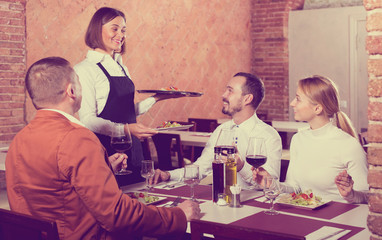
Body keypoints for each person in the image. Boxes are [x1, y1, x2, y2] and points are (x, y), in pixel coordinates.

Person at [6, 57, 201, 240]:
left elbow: (54, 188)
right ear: (71, 91)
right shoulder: (77, 138)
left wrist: (103, 167)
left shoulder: (19, 140)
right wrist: (178, 216)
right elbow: (117, 215)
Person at [74, 7, 176, 183]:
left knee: (137, 197)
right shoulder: (84, 69)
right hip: (105, 150)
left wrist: (158, 97)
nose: (120, 34)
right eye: (114, 28)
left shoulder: (121, 67)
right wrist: (126, 129)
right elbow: (87, 120)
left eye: (123, 30)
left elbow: (128, 111)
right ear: (98, 29)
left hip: (132, 148)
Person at [153, 72, 282, 188]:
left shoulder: (269, 135)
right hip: (221, 202)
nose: (223, 95)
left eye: (230, 91)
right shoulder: (221, 130)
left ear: (247, 99)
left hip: (253, 207)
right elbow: (201, 168)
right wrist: (168, 175)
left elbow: (270, 185)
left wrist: (241, 167)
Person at [254, 75, 368, 203]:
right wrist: (270, 183)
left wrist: (350, 194)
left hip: (338, 219)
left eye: (298, 99)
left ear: (317, 108)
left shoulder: (349, 145)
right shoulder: (298, 139)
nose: (292, 103)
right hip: (306, 217)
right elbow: (295, 189)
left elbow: (366, 197)